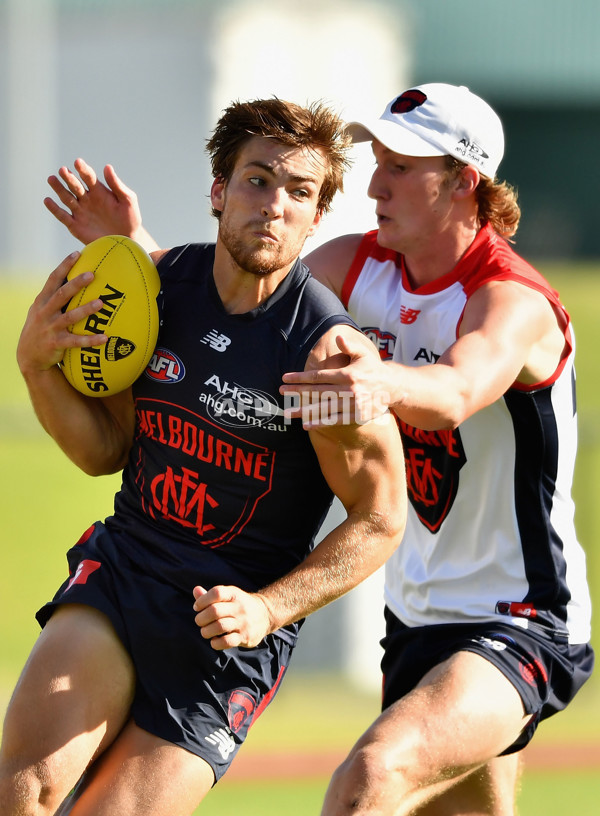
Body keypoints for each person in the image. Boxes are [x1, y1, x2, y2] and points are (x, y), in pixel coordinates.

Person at [39, 83, 594, 816]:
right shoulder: (357, 266)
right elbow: (244, 288)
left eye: (401, 167)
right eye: (380, 161)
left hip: (519, 616)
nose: (375, 183)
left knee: (370, 779)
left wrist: (377, 380)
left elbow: (458, 391)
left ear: (464, 183)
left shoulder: (510, 300)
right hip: (417, 615)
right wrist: (137, 250)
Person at [1, 98, 407, 816]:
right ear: (218, 192)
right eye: (256, 181)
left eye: (300, 193)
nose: (275, 206)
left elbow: (380, 519)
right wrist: (35, 367)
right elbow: (107, 453)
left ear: (317, 220)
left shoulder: (323, 355)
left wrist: (266, 609)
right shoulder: (155, 294)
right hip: (128, 573)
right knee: (22, 791)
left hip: (225, 635)